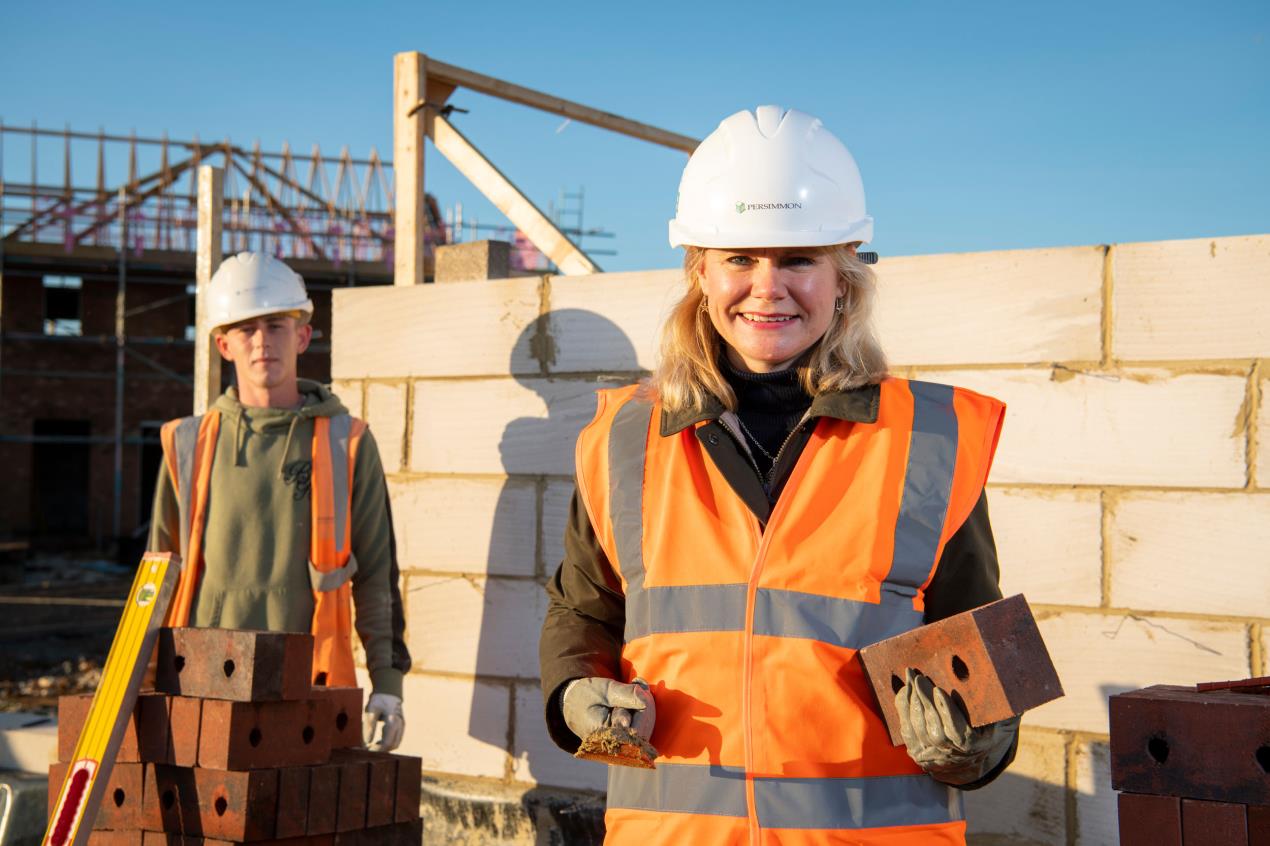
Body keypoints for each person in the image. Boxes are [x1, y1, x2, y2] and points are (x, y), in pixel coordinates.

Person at [539, 106, 1019, 844]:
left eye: (797, 260)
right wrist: (572, 693)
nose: (767, 288)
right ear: (700, 271)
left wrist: (978, 742)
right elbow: (583, 613)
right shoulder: (623, 440)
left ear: (844, 276)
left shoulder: (927, 442)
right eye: (739, 259)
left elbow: (977, 653)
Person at [148, 252, 409, 752]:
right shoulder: (186, 443)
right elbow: (155, 579)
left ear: (303, 336)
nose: (262, 341)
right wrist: (135, 680)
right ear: (224, 345)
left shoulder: (346, 442)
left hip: (310, 688)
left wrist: (389, 687)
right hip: (199, 687)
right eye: (246, 329)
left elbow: (378, 577)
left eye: (276, 324)